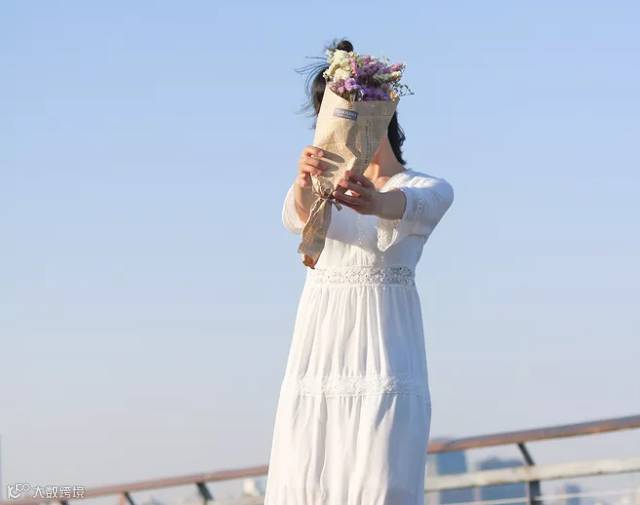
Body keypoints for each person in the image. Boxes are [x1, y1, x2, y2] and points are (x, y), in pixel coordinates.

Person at [263, 39, 455, 505]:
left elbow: (405, 205)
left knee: (379, 483)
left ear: (382, 113)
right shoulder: (321, 190)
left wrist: (374, 201)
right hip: (319, 356)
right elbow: (296, 219)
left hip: (384, 359)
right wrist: (305, 180)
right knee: (306, 483)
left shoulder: (428, 187)